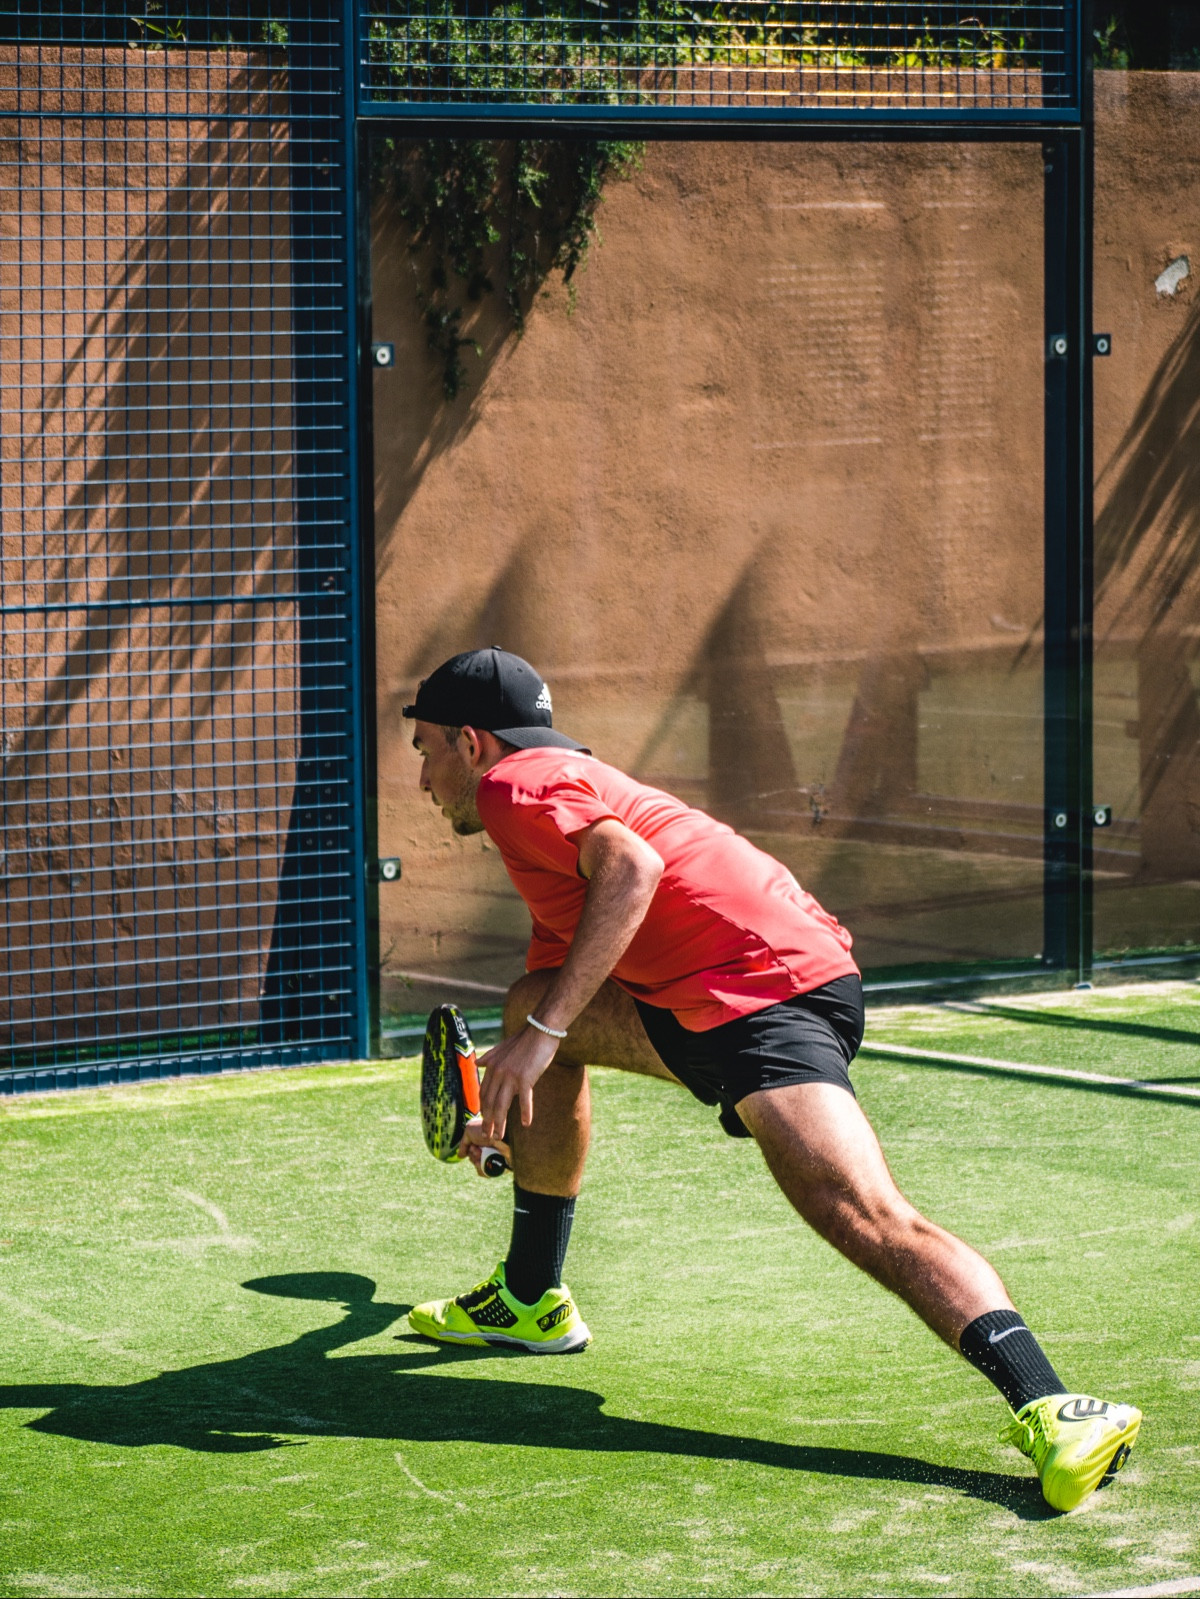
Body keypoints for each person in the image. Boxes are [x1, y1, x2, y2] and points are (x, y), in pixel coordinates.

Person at [402, 646, 1141, 1513]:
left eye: (425, 750)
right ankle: (531, 1297)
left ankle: (1054, 1405)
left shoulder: (512, 785)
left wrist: (542, 1035)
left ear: (472, 742)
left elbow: (634, 869)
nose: (422, 780)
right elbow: (558, 981)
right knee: (535, 1005)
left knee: (861, 1211)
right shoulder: (558, 798)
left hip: (763, 993)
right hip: (719, 989)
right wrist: (511, 1088)